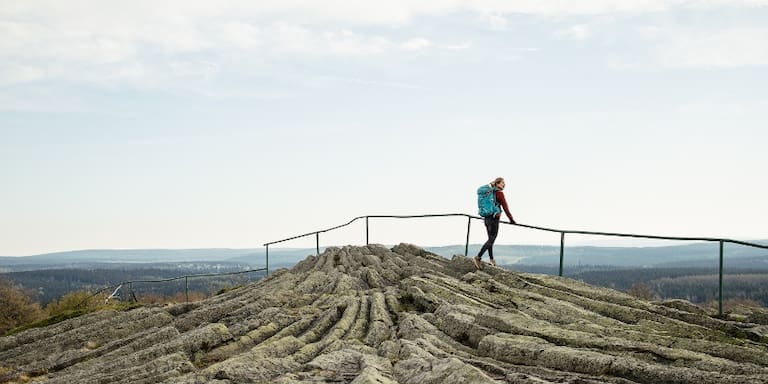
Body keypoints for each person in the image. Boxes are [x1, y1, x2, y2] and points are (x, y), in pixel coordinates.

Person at [475, 177, 515, 269]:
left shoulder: (489, 192)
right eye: (502, 183)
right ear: (497, 184)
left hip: (486, 218)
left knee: (490, 240)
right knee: (491, 240)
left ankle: (491, 259)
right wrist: (511, 219)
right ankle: (478, 257)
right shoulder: (499, 193)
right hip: (494, 219)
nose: (504, 185)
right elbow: (505, 207)